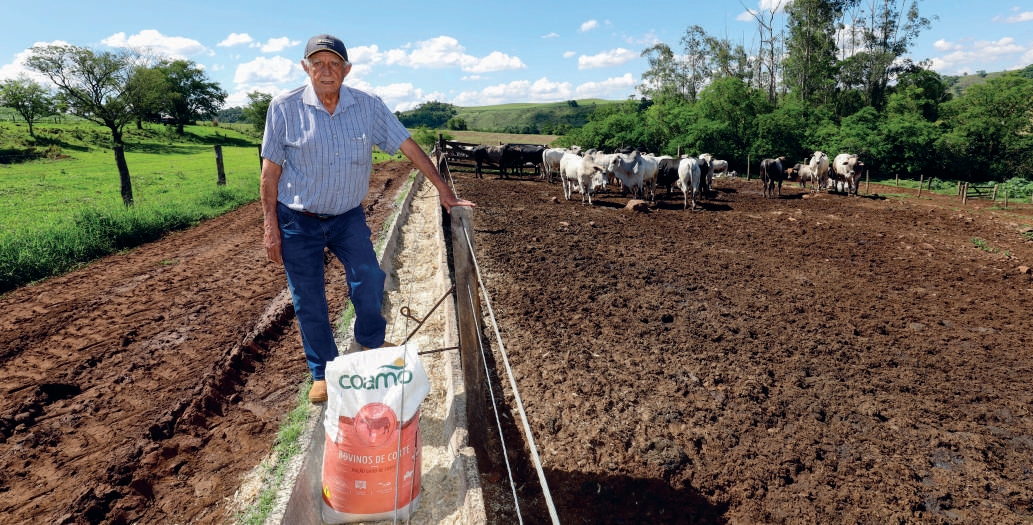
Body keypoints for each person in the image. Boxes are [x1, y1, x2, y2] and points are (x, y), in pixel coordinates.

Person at [260, 34, 475, 404]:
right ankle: (323, 372)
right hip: (298, 218)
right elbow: (270, 172)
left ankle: (371, 342)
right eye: (318, 63)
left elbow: (408, 146)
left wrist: (444, 190)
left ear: (347, 70)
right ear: (305, 68)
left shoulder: (368, 105)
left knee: (370, 278)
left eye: (334, 63)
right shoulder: (284, 107)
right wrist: (270, 226)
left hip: (346, 216)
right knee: (308, 297)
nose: (326, 71)